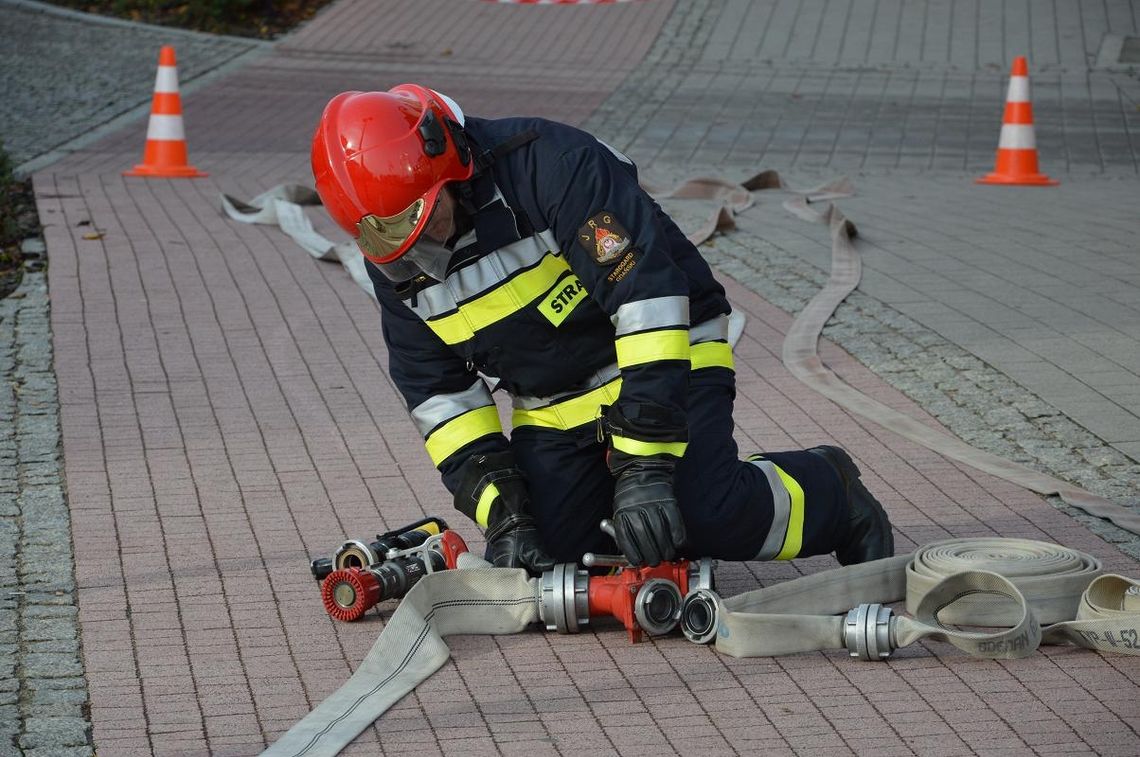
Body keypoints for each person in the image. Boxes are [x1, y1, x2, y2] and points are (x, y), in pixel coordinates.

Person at [310, 84, 894, 575]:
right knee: (554, 557)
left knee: (701, 511)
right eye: (389, 238)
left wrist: (644, 465)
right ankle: (647, 521)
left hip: (669, 352)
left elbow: (647, 301)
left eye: (422, 218)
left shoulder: (553, 166)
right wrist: (504, 510)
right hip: (555, 404)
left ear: (446, 167)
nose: (420, 248)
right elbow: (440, 396)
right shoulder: (395, 254)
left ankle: (833, 495)